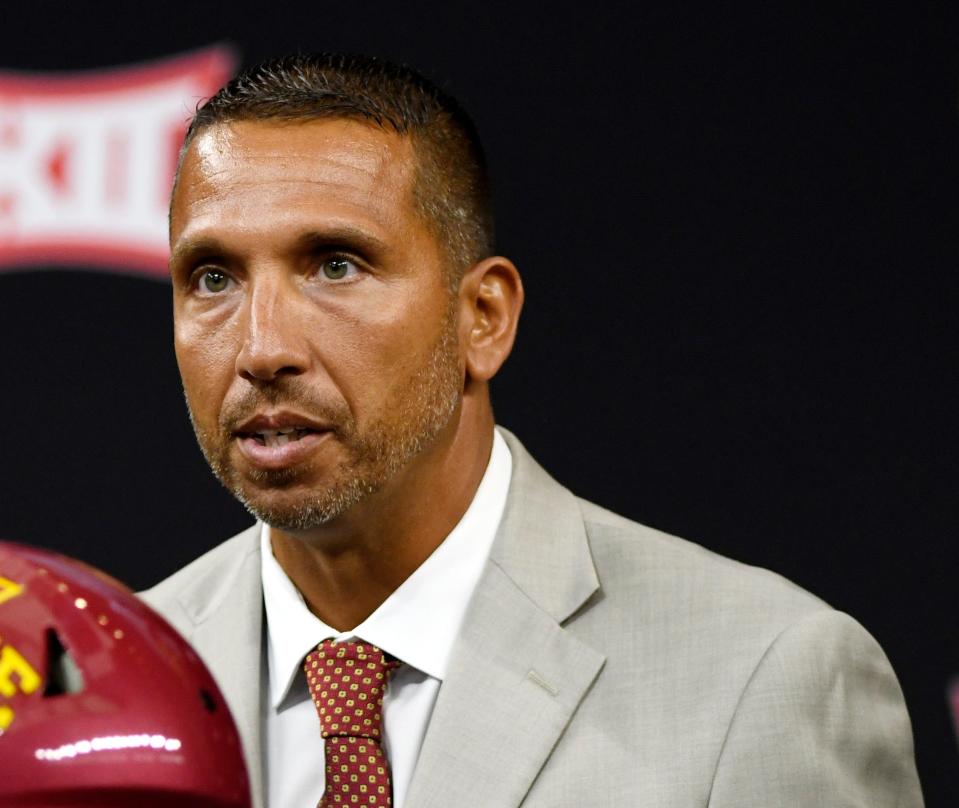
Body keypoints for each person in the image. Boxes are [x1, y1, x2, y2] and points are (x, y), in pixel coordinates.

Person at [142, 53, 923, 808]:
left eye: (336, 265)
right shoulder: (100, 680)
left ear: (481, 318)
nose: (262, 347)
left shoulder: (764, 678)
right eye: (213, 279)